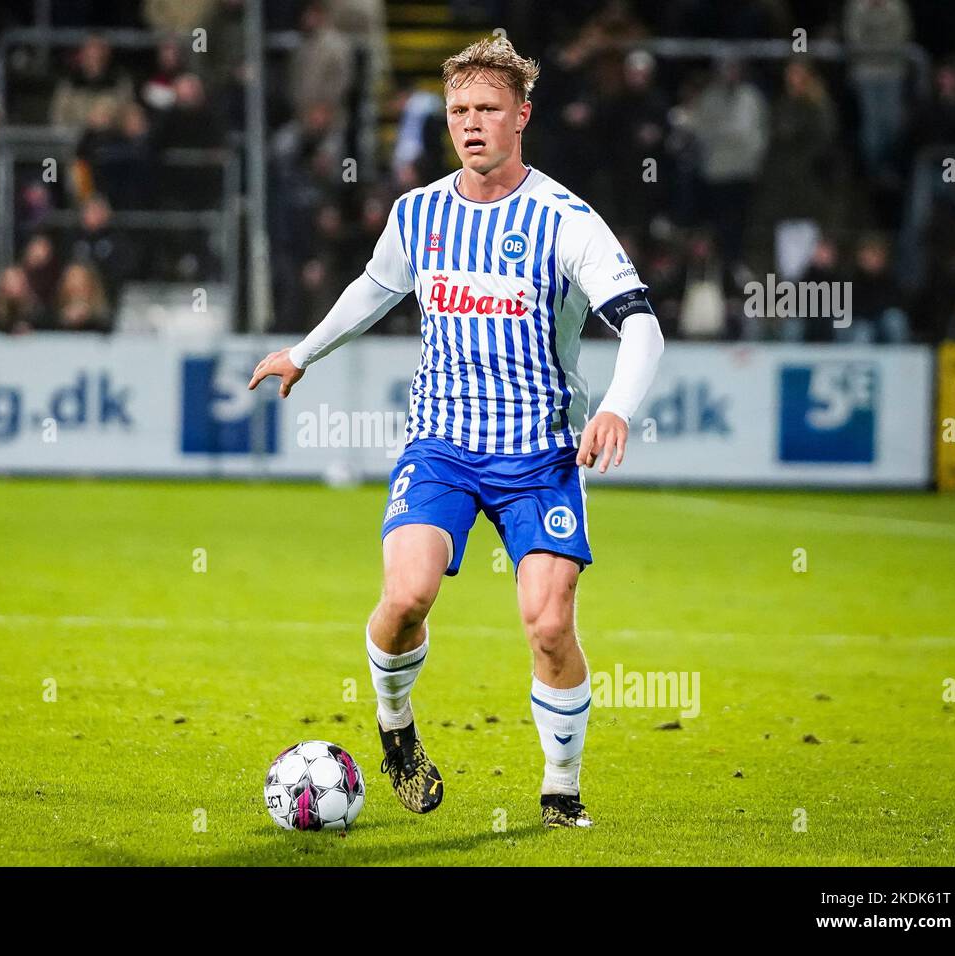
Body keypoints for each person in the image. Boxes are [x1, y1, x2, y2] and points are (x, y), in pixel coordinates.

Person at [249, 36, 664, 829]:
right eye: (459, 110)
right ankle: (396, 727)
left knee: (548, 623)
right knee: (405, 598)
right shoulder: (420, 213)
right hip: (440, 446)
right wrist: (302, 354)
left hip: (540, 453)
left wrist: (616, 407)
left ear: (522, 117)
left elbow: (641, 326)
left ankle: (560, 787)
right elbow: (373, 290)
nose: (471, 125)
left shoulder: (565, 220)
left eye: (488, 110)